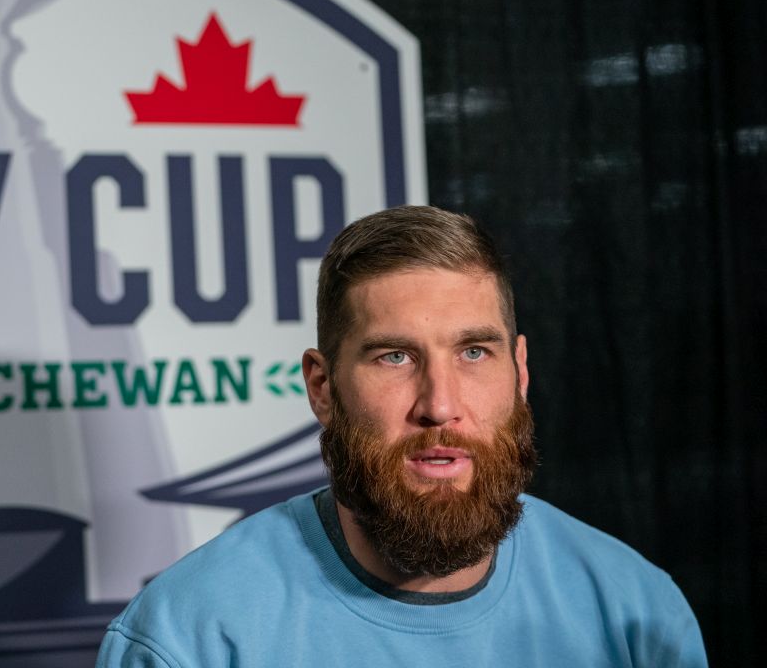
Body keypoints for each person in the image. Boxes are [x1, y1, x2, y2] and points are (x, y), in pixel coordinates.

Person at [96, 205, 706, 667]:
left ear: (520, 372)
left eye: (473, 351)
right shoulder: (185, 640)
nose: (440, 406)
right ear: (323, 387)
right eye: (393, 357)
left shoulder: (635, 614)